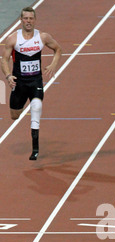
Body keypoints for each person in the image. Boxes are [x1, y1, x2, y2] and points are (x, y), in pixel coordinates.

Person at [1, 6, 62, 160]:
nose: (28, 21)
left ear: (35, 20)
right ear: (21, 20)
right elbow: (4, 60)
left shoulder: (42, 37)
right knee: (14, 115)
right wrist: (8, 76)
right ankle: (23, 106)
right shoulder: (13, 39)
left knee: (37, 106)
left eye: (31, 18)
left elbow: (58, 49)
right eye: (26, 18)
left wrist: (54, 64)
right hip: (19, 83)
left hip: (35, 80)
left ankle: (35, 149)